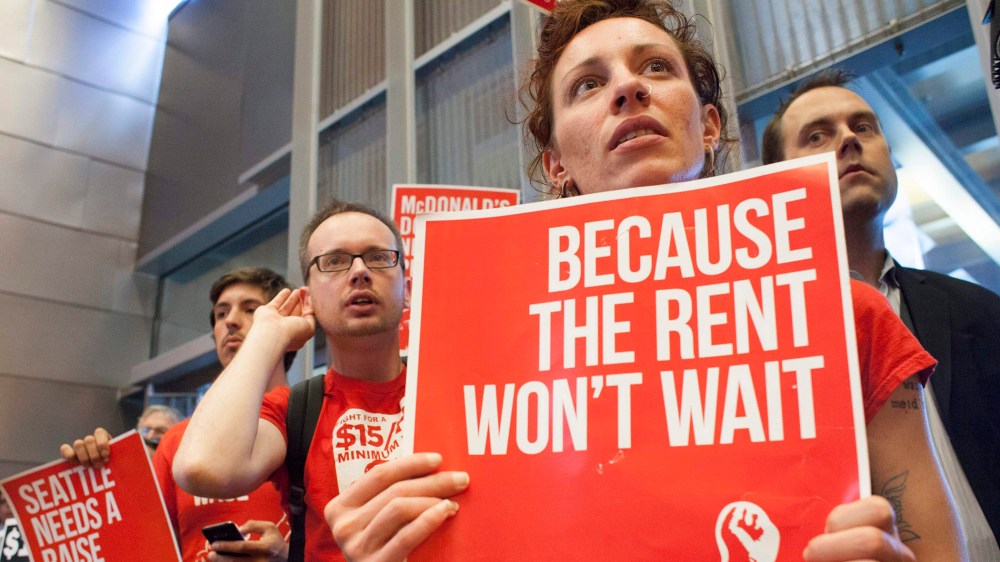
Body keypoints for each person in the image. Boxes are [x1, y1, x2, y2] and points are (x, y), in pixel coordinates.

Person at [320, 1, 966, 561]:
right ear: (556, 167)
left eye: (655, 67)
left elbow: (936, 545)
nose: (628, 89)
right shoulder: (476, 360)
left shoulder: (842, 311)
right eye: (587, 85)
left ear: (709, 126)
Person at [761, 68, 1000, 557]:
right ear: (780, 181)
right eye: (817, 136)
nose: (849, 139)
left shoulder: (981, 311)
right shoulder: (764, 337)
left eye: (863, 126)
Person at [172, 201, 434, 560]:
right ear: (307, 298)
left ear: (406, 289)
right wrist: (267, 334)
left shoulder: (451, 387)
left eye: (378, 257)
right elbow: (202, 468)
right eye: (335, 261)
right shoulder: (293, 410)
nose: (359, 271)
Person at [61, 267, 294, 562]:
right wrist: (100, 478)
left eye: (251, 310)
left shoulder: (311, 421)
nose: (231, 321)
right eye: (221, 314)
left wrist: (288, 558)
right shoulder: (178, 440)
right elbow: (147, 547)